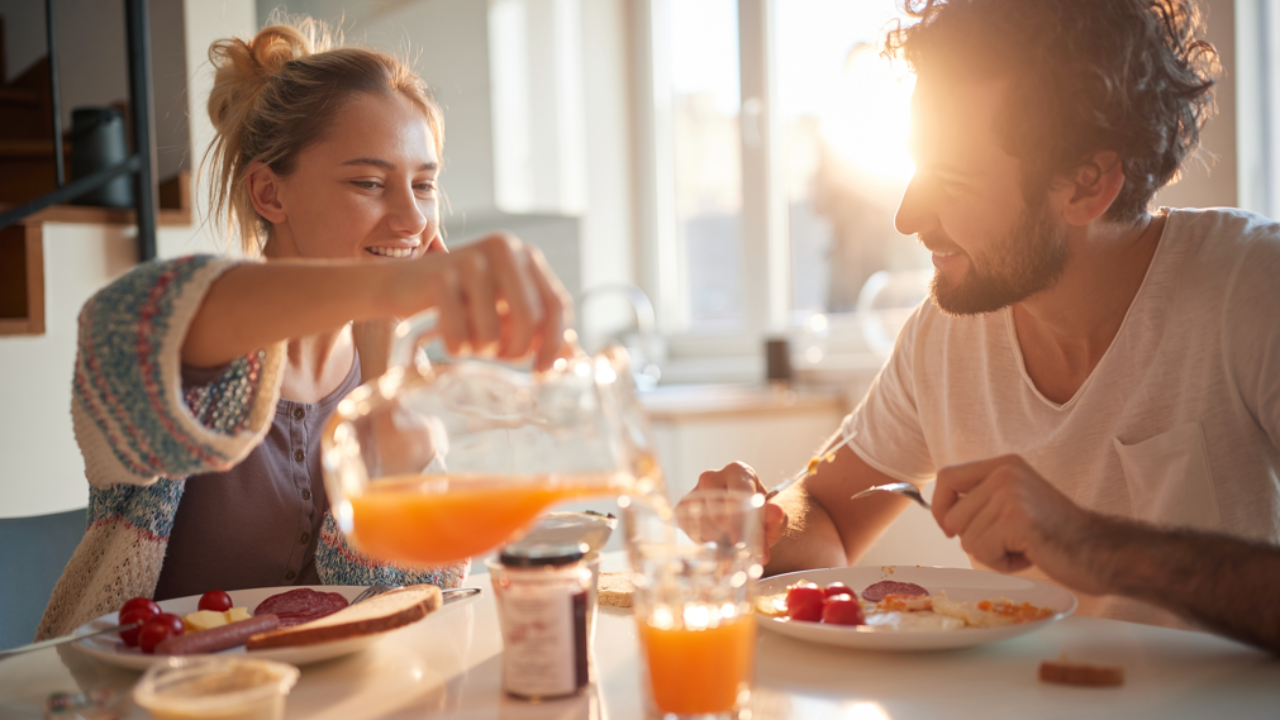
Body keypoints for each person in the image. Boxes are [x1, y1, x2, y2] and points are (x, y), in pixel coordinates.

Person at [688, 0, 1280, 652]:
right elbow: (825, 511)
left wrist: (1100, 546)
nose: (908, 216)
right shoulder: (945, 336)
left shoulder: (1252, 290)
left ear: (1087, 184)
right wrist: (761, 523)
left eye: (954, 178)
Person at [36, 17, 572, 640]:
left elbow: (404, 614)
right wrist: (395, 285)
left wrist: (383, 396)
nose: (410, 219)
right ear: (269, 193)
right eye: (369, 183)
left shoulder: (397, 383)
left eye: (423, 185)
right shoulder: (199, 355)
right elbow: (125, 322)